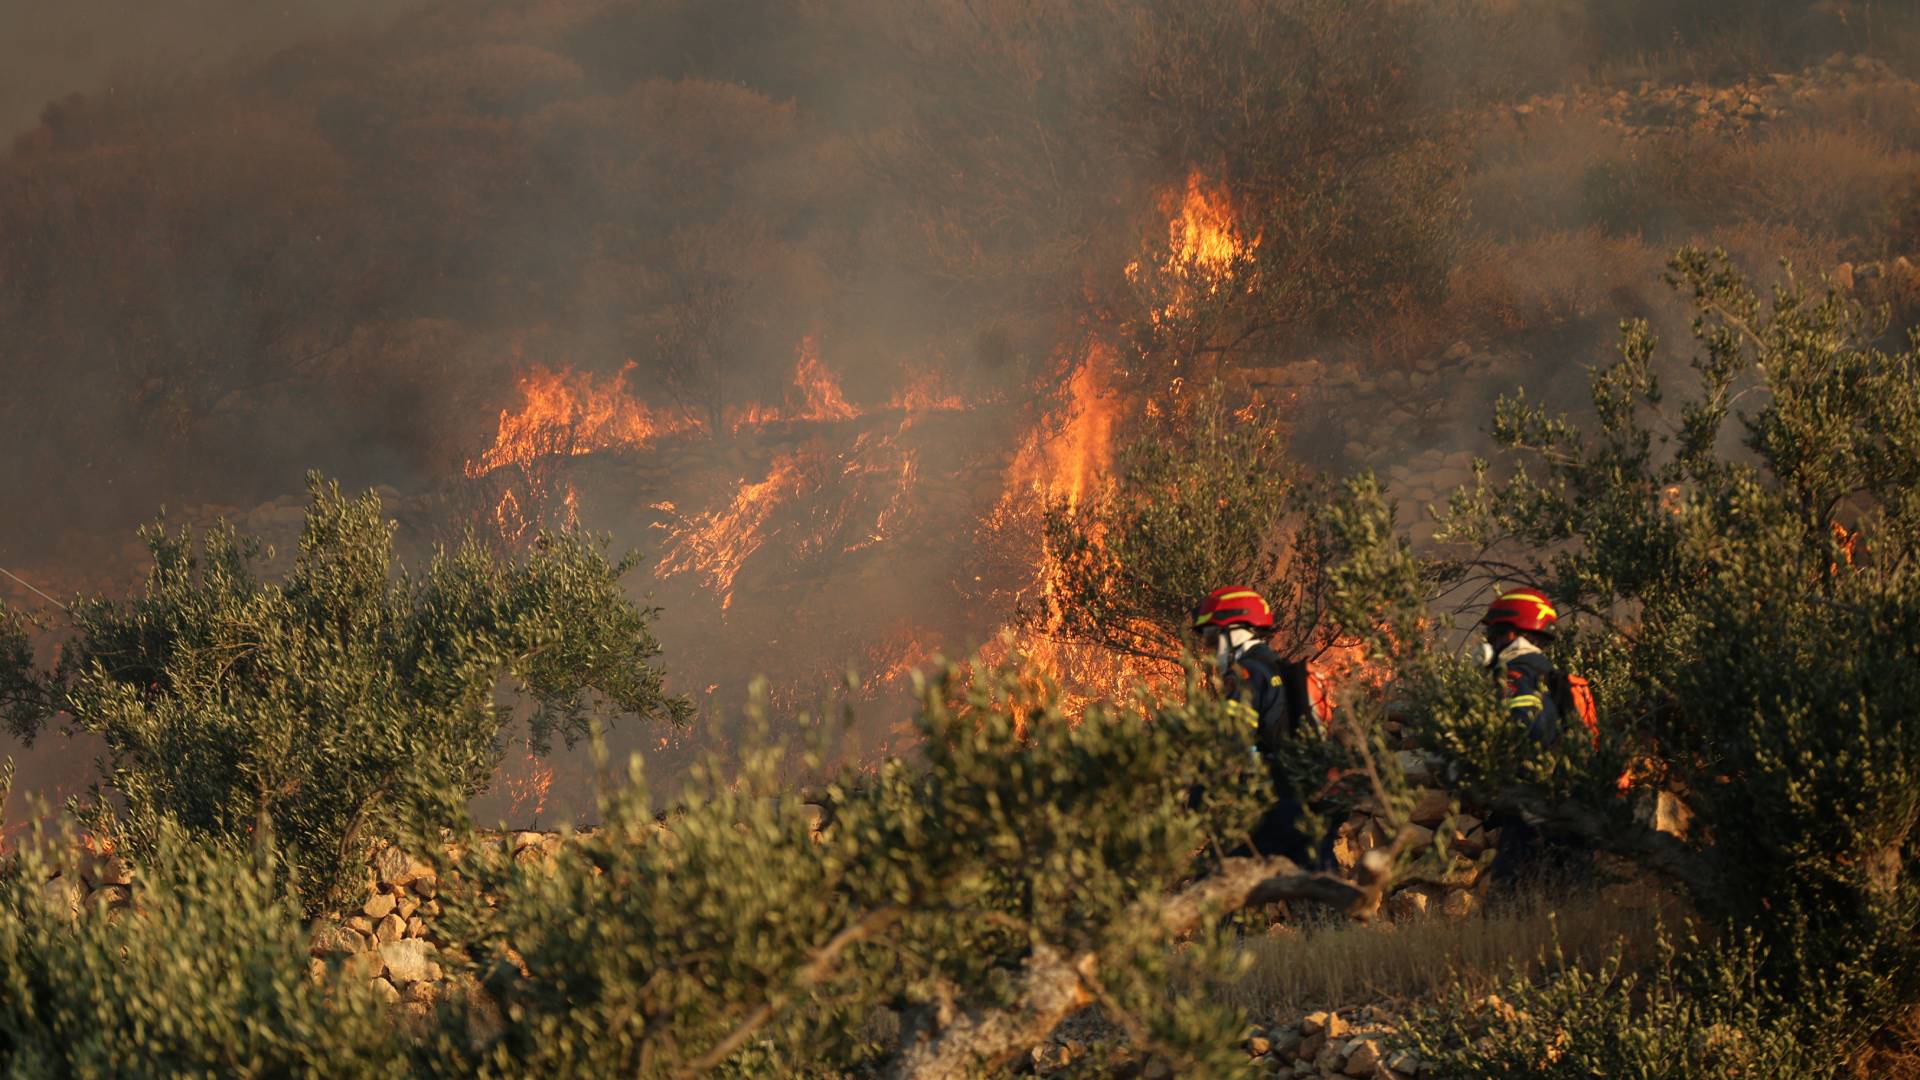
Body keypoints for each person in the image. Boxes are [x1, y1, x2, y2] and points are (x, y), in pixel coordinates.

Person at [1191, 585, 1327, 869]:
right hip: (1307, 791)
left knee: (1219, 879)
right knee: (1317, 885)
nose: (1211, 650)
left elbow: (1232, 740)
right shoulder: (1276, 666)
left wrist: (1196, 796)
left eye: (1213, 640)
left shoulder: (1246, 674)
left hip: (1281, 799)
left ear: (1234, 633)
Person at [1478, 586, 1595, 886]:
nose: (1488, 641)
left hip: (1535, 809)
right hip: (1575, 805)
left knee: (1509, 903)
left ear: (1509, 634)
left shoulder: (1517, 674)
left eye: (1493, 633)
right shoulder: (1552, 675)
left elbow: (1526, 727)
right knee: (1572, 902)